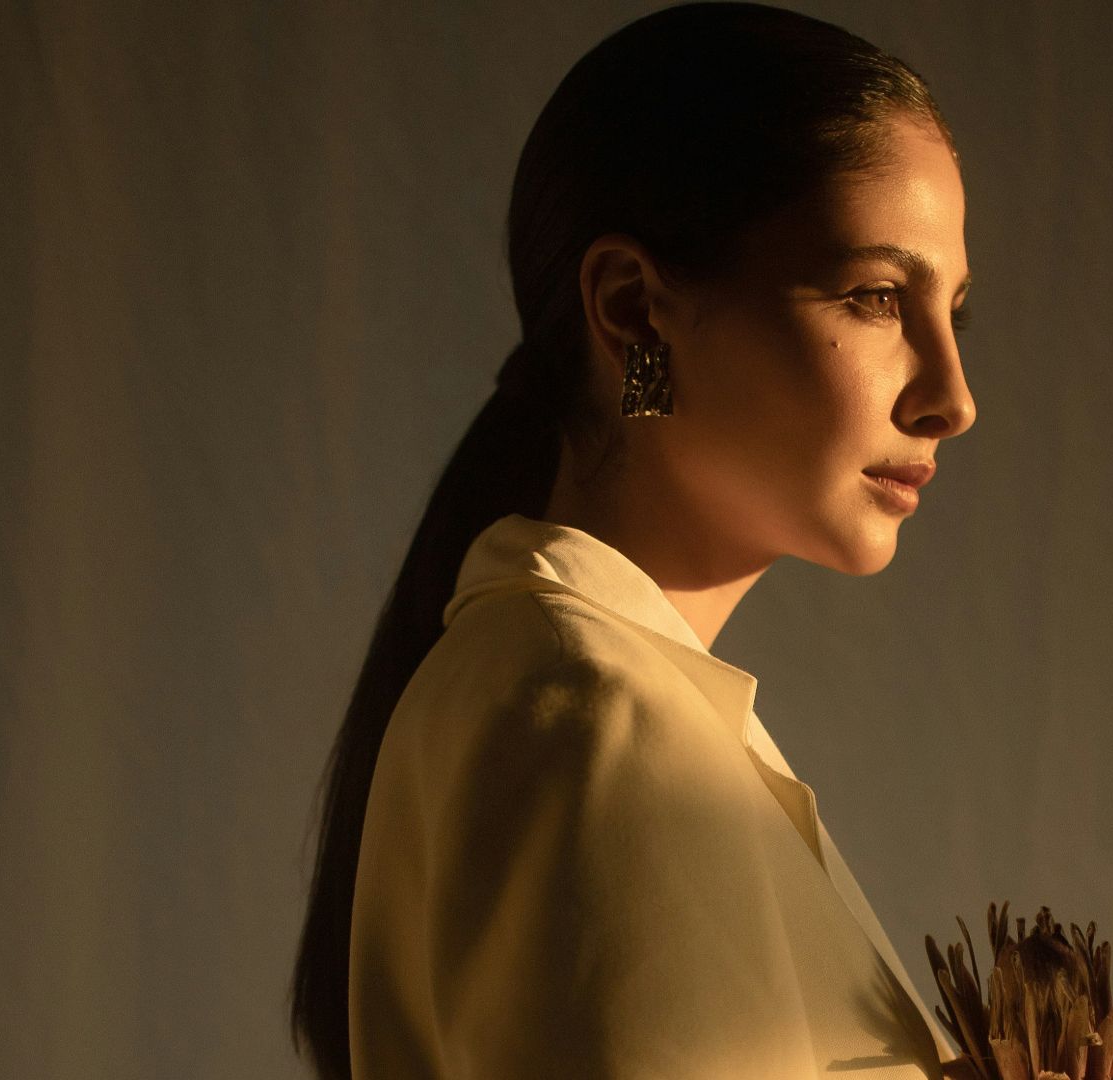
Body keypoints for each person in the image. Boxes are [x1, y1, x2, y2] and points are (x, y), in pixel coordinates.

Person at [292, 3, 976, 1077]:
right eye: (878, 297)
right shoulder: (597, 719)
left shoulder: (585, 694)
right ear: (633, 310)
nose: (952, 398)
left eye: (955, 314)